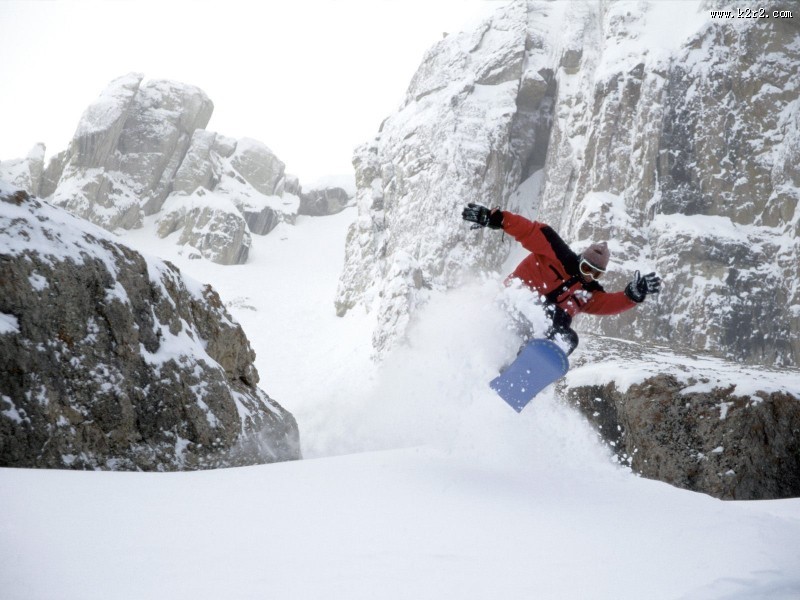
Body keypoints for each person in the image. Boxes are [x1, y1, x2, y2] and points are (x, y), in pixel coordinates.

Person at [461, 203, 661, 355]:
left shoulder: (588, 293)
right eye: (586, 268)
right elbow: (529, 231)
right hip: (516, 302)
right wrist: (495, 218)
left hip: (536, 327)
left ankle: (521, 367)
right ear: (580, 260)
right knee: (556, 316)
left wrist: (632, 296)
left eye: (596, 274)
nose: (587, 275)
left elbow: (607, 304)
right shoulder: (557, 253)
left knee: (567, 338)